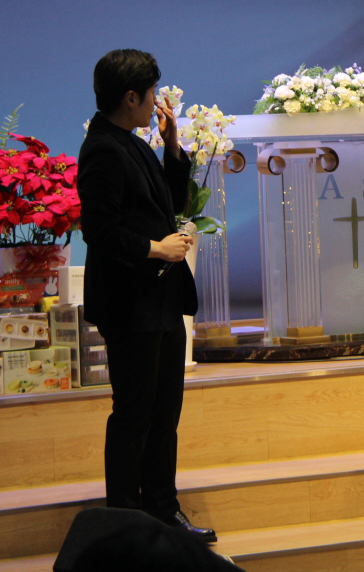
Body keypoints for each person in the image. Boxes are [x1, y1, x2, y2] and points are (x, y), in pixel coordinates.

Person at [78, 48, 216, 541]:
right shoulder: (102, 148)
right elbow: (99, 230)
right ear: (131, 97)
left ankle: (163, 511)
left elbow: (168, 201)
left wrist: (172, 144)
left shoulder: (131, 141)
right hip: (130, 302)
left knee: (164, 414)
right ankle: (126, 523)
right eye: (152, 91)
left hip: (159, 300)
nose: (158, 100)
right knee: (135, 415)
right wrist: (156, 248)